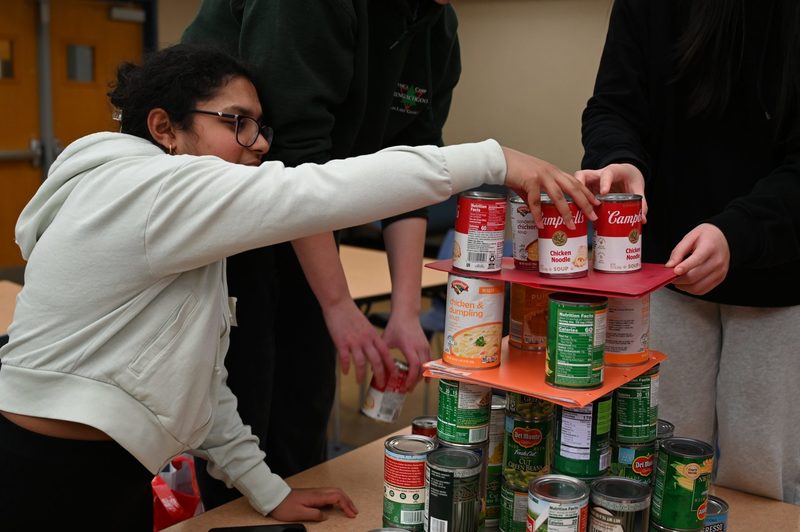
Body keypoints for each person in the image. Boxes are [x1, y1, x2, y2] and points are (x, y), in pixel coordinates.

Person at [0, 43, 597, 528]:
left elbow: (197, 387)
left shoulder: (174, 222)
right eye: (237, 123)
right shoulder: (151, 190)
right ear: (165, 128)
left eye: (260, 129)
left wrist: (268, 490)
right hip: (47, 474)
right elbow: (318, 191)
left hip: (106, 469)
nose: (257, 147)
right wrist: (492, 159)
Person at [181, 0, 464, 505]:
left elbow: (412, 170)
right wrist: (337, 304)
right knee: (241, 405)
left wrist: (404, 309)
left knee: (303, 404)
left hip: (308, 219)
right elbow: (294, 158)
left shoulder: (436, 26)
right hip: (227, 214)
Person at [578, 0, 800, 503]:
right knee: (652, 463)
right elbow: (614, 106)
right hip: (664, 272)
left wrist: (738, 234)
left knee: (764, 478)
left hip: (781, 278)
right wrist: (619, 161)